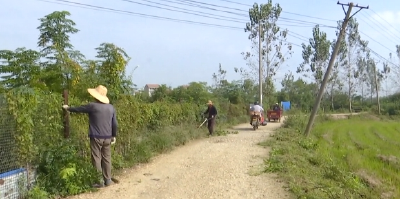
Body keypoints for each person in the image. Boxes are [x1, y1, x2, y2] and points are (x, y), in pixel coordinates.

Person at [62, 85, 118, 188]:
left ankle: (99, 181)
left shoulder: (93, 106)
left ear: (95, 96)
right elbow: (114, 123)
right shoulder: (111, 107)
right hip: (107, 137)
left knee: (96, 158)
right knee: (107, 158)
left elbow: (80, 109)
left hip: (96, 136)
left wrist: (68, 108)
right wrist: (113, 135)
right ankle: (108, 180)